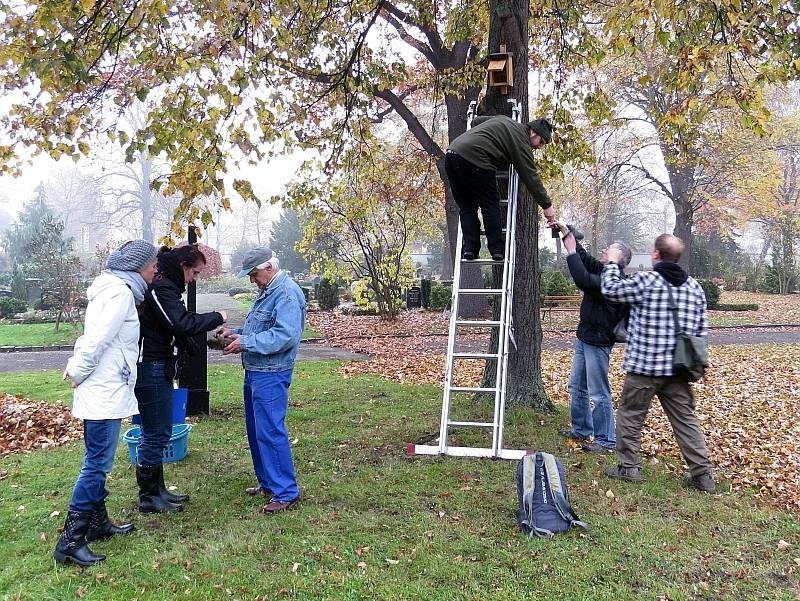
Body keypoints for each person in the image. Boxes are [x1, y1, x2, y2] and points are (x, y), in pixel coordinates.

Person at [55, 239, 158, 566]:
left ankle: (98, 524)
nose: (156, 269)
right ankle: (70, 541)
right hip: (102, 391)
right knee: (97, 463)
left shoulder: (120, 289)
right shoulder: (119, 293)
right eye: (153, 264)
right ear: (138, 267)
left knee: (97, 459)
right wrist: (78, 370)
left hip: (107, 388)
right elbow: (96, 339)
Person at [600, 234, 715, 493]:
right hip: (678, 369)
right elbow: (700, 331)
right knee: (686, 421)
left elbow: (611, 290)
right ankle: (703, 475)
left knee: (630, 415)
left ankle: (629, 468)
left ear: (655, 254)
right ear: (678, 256)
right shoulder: (695, 288)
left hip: (644, 368)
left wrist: (612, 263)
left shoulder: (646, 280)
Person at [135, 245, 227, 513]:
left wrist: (203, 342)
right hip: (150, 366)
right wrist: (216, 317)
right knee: (156, 432)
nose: (194, 278)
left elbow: (176, 328)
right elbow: (180, 323)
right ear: (183, 266)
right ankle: (149, 497)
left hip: (159, 364)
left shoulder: (167, 285)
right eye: (194, 272)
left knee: (159, 430)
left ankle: (158, 491)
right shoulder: (163, 286)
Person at [214, 248, 306, 513]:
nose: (252, 280)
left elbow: (285, 336)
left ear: (269, 267)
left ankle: (286, 492)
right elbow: (263, 328)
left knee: (270, 431)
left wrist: (247, 343)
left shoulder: (287, 294)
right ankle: (268, 483)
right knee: (257, 431)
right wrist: (236, 333)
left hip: (271, 373)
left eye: (253, 275)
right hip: (256, 370)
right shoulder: (269, 291)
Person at [555, 223, 631, 454]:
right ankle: (581, 429)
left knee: (598, 392)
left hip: (598, 342)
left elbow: (583, 279)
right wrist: (567, 234)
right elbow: (585, 259)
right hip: (585, 336)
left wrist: (570, 250)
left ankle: (606, 439)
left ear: (618, 256)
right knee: (577, 386)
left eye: (609, 249)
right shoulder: (604, 270)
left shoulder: (614, 282)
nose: (604, 251)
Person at [445, 115, 557, 261]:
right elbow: (530, 177)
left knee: (467, 207)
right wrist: (547, 205)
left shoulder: (503, 120)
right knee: (490, 204)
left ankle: (470, 250)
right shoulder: (521, 142)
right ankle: (497, 250)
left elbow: (475, 121)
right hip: (478, 160)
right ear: (534, 133)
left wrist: (488, 138)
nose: (538, 147)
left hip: (452, 155)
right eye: (541, 142)